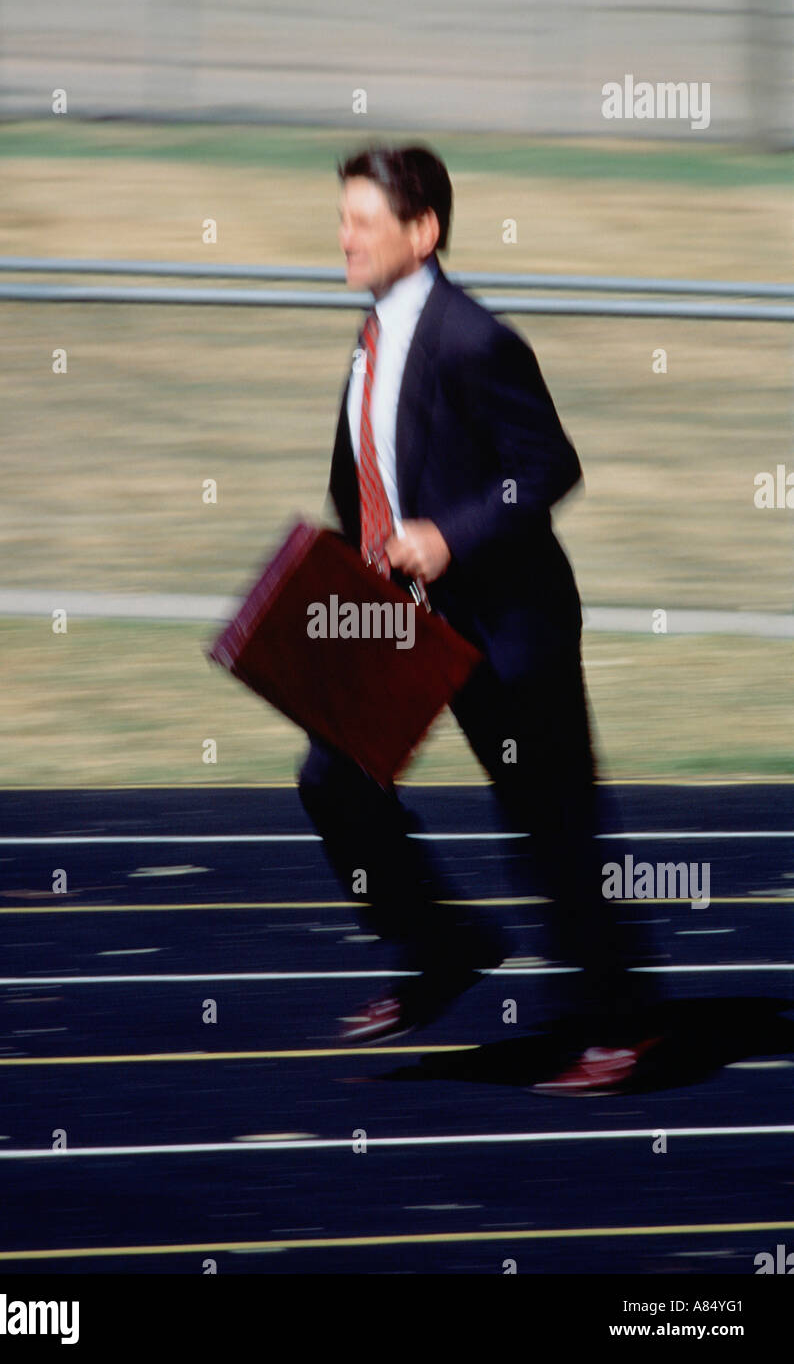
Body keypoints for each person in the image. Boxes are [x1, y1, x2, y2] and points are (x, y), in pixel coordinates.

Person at [298, 144, 656, 1094]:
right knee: (333, 779)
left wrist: (450, 537)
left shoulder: (473, 338)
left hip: (506, 622)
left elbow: (549, 469)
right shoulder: (372, 338)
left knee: (550, 824)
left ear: (423, 232)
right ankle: (442, 943)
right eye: (342, 219)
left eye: (362, 222)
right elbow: (364, 473)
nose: (343, 237)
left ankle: (622, 1026)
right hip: (402, 613)